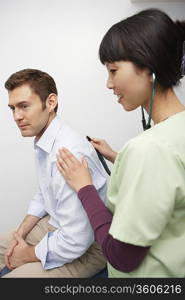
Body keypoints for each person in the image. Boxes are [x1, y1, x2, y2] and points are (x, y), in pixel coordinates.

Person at [56, 9, 185, 278]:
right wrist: (118, 157)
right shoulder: (172, 133)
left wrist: (85, 187)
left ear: (148, 64)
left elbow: (120, 256)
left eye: (113, 70)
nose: (108, 83)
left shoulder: (148, 150)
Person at [0, 68, 107, 278]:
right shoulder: (44, 139)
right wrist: (20, 233)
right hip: (56, 226)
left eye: (24, 106)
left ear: (50, 102)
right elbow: (43, 194)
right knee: (8, 244)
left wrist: (27, 255)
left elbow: (76, 239)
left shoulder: (68, 152)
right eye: (12, 108)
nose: (16, 116)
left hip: (88, 245)